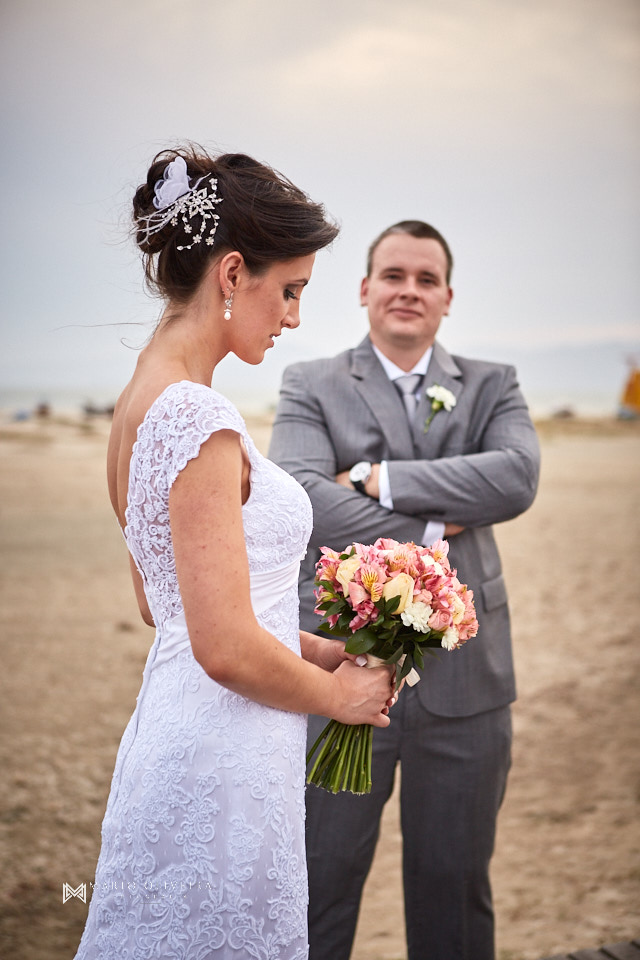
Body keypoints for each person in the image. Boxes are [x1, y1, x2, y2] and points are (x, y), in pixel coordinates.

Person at [73, 147, 396, 960]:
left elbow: (167, 608)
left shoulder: (135, 406)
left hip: (185, 734)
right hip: (223, 756)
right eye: (289, 291)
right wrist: (339, 699)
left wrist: (327, 649)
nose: (292, 317)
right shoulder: (196, 419)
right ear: (230, 273)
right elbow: (219, 644)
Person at [268, 220, 541, 960]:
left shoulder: (494, 384)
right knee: (317, 884)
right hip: (338, 674)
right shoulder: (309, 383)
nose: (408, 291)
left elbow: (516, 478)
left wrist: (377, 479)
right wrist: (430, 532)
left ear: (448, 297)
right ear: (364, 289)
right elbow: (301, 496)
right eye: (394, 275)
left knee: (454, 890)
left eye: (426, 279)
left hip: (468, 690)